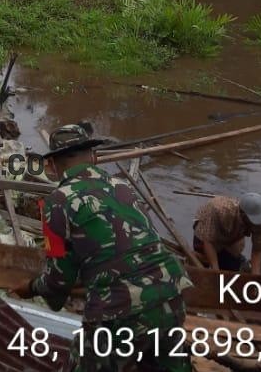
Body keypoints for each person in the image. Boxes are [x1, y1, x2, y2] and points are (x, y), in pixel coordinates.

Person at [14, 124, 192, 372]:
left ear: (52, 165)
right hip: (171, 292)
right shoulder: (123, 187)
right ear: (95, 157)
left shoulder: (57, 201)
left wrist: (31, 288)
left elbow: (58, 280)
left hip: (118, 307)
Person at [191, 192, 261, 274]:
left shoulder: (260, 224)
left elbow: (258, 250)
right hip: (205, 232)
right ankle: (201, 257)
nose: (256, 224)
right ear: (243, 214)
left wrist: (255, 276)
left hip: (232, 238)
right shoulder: (219, 210)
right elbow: (208, 241)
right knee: (205, 267)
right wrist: (216, 271)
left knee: (232, 267)